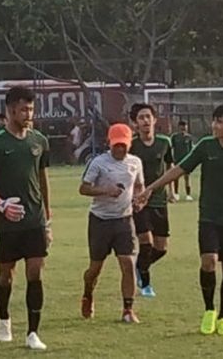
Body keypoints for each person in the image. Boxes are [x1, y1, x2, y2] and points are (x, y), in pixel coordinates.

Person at [136, 101, 223, 336]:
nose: (214, 125)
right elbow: (179, 169)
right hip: (208, 216)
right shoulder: (206, 146)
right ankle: (209, 310)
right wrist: (151, 188)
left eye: (220, 122)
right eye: (214, 120)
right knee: (209, 261)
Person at [0, 86, 52, 351]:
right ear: (10, 110)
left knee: (35, 273)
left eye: (31, 108)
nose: (28, 114)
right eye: (23, 109)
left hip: (35, 220)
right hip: (8, 222)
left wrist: (48, 219)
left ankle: (33, 333)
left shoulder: (39, 141)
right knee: (6, 276)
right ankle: (4, 318)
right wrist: (0, 205)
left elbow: (43, 181)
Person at [79, 123, 145, 323]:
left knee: (127, 263)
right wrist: (106, 190)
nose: (120, 149)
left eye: (123, 145)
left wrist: (141, 200)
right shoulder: (99, 163)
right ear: (109, 143)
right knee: (95, 268)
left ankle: (127, 309)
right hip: (100, 221)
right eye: (116, 145)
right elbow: (83, 188)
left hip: (124, 220)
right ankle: (88, 293)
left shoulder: (135, 162)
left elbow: (140, 186)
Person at [128, 103, 174, 298]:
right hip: (139, 201)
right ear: (135, 123)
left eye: (148, 116)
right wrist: (132, 196)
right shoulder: (132, 144)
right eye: (141, 118)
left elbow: (171, 166)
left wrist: (172, 191)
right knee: (146, 242)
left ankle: (139, 266)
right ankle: (146, 284)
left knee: (161, 248)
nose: (145, 121)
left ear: (155, 120)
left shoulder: (165, 142)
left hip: (159, 200)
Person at [170, 121, 194, 202]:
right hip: (177, 160)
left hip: (186, 160)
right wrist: (172, 160)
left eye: (185, 126)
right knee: (176, 177)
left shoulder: (189, 137)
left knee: (187, 178)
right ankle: (176, 194)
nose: (183, 128)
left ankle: (188, 195)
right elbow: (171, 148)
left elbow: (191, 150)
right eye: (182, 126)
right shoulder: (174, 137)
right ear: (179, 127)